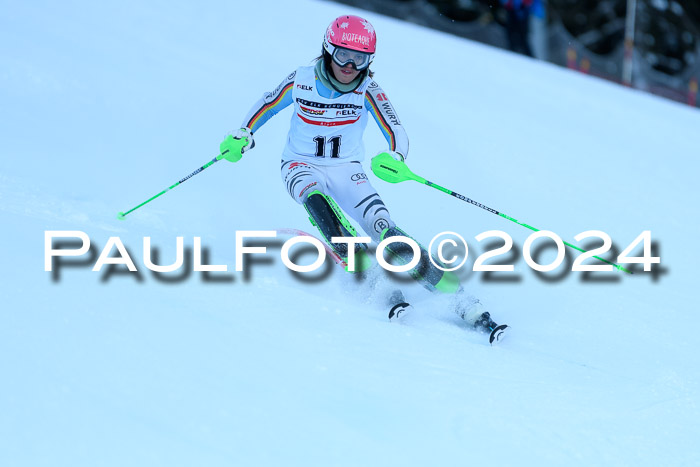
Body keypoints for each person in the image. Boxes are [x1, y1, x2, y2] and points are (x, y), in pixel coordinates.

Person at [219, 15, 507, 342]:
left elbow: (394, 128)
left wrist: (395, 156)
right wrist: (244, 134)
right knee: (320, 207)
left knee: (386, 230)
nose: (350, 65)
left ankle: (461, 298)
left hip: (347, 169)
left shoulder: (368, 88)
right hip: (299, 165)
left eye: (360, 59)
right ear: (328, 49)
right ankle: (372, 280)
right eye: (343, 55)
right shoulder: (301, 79)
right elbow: (268, 104)